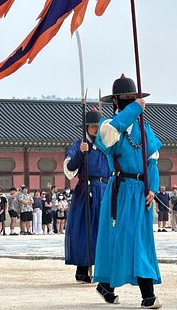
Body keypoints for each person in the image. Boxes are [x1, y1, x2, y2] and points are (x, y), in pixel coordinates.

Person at [94, 74, 163, 309]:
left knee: (139, 239)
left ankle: (113, 286)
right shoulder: (107, 126)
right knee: (122, 238)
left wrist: (152, 188)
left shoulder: (145, 129)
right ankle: (141, 292)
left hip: (141, 191)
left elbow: (153, 161)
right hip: (121, 190)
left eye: (133, 97)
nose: (131, 101)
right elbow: (109, 138)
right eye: (126, 98)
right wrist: (133, 110)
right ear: (116, 102)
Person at [63, 109, 111, 282]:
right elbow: (70, 169)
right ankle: (82, 268)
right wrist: (81, 153)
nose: (96, 130)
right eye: (93, 127)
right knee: (84, 230)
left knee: (103, 230)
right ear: (87, 127)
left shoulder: (107, 145)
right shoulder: (80, 144)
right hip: (86, 190)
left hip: (105, 190)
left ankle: (102, 268)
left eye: (99, 127)